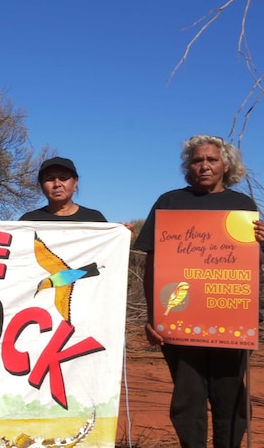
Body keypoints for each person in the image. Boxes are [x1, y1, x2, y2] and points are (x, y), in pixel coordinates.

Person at [133, 135, 264, 448]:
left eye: (212, 160)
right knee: (187, 399)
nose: (204, 166)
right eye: (197, 160)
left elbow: (251, 266)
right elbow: (152, 264)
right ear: (188, 166)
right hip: (180, 324)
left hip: (229, 324)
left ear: (226, 165)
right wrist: (154, 317)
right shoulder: (169, 202)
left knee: (229, 394)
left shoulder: (242, 206)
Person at [19, 157, 107, 222]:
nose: (57, 184)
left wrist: (119, 233)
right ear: (41, 185)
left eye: (63, 178)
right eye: (50, 179)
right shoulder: (28, 221)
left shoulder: (94, 219)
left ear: (75, 183)